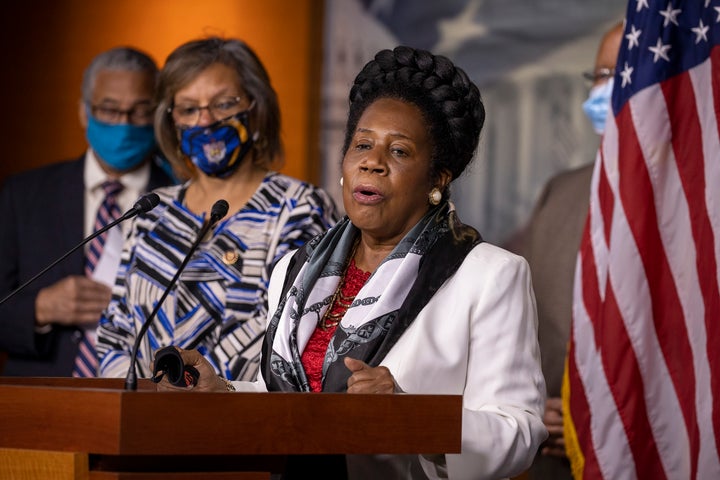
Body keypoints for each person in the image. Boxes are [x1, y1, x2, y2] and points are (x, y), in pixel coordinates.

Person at [156, 45, 548, 480]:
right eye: (362, 144)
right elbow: (292, 404)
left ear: (438, 179)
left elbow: (518, 433)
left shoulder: (488, 275)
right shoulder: (296, 270)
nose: (372, 162)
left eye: (398, 151)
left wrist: (408, 413)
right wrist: (224, 392)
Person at [95, 37, 339, 382]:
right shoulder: (151, 211)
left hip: (239, 418)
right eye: (189, 109)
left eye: (224, 104)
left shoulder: (299, 208)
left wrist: (191, 391)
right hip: (140, 420)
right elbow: (115, 332)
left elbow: (288, 334)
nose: (206, 121)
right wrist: (143, 397)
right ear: (171, 122)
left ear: (256, 109)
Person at [0, 46, 176, 377]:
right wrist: (39, 309)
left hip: (144, 400)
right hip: (38, 401)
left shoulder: (182, 200)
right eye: (109, 110)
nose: (123, 124)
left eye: (139, 111)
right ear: (84, 112)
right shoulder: (23, 195)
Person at [505, 21, 623, 480]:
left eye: (624, 73)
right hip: (555, 460)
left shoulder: (701, 205)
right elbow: (520, 327)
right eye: (600, 74)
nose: (606, 89)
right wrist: (528, 405)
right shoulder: (562, 192)